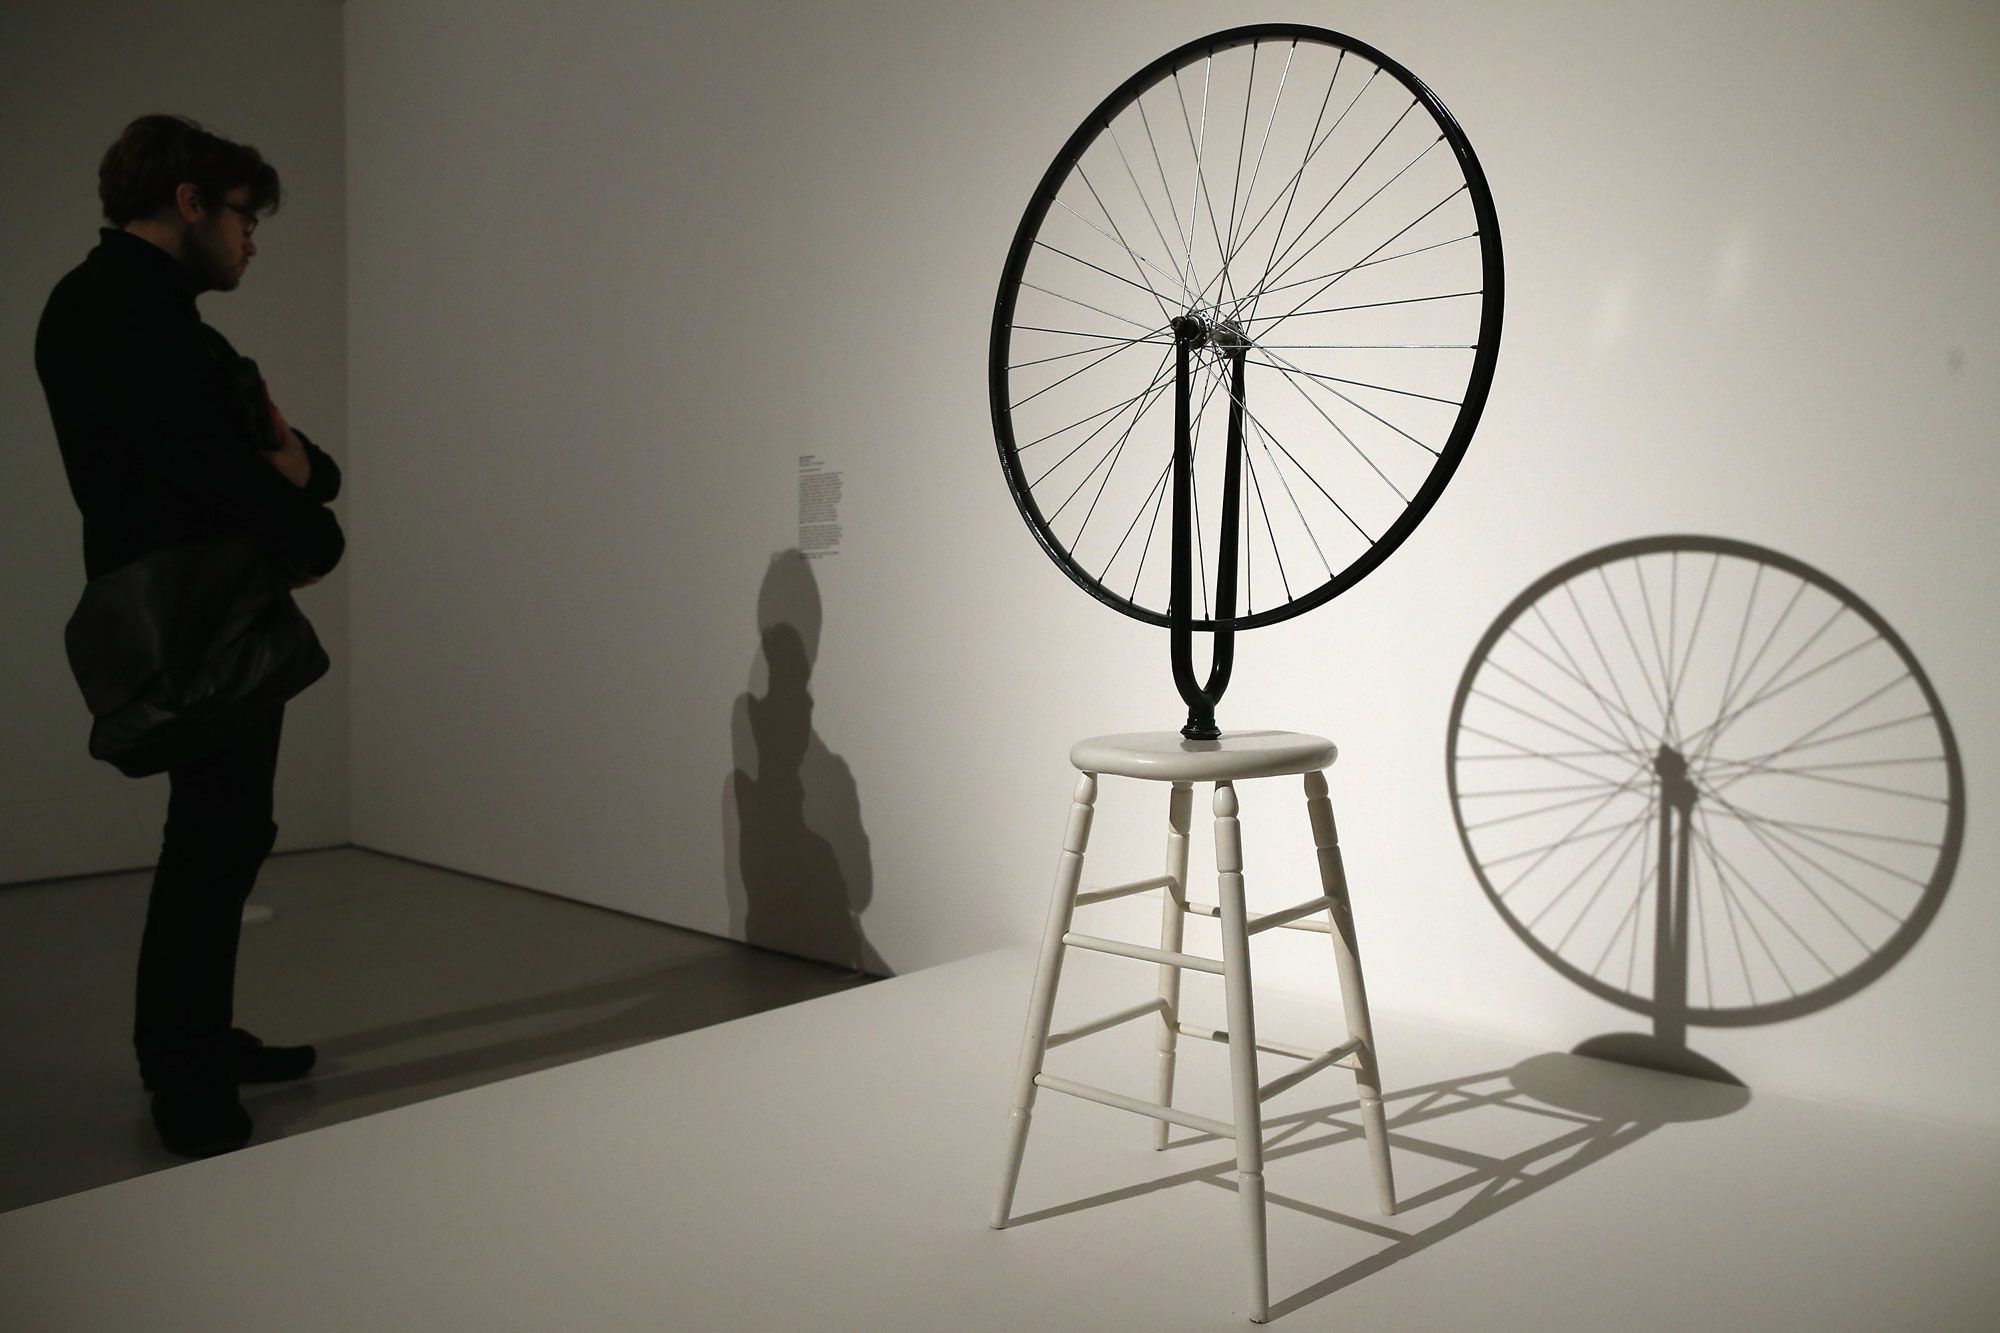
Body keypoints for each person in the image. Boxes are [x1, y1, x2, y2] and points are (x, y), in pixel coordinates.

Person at [34, 115, 345, 1158]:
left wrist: (306, 487)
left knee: (223, 831)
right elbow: (216, 468)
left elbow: (274, 452)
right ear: (188, 203)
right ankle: (183, 1070)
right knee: (213, 838)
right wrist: (316, 528)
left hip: (201, 605)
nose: (252, 240)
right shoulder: (127, 314)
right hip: (193, 612)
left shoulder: (133, 311)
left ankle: (195, 1040)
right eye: (245, 217)